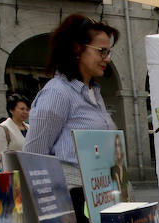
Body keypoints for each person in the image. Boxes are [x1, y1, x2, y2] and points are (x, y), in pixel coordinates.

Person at [24, 15, 118, 165]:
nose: (107, 58)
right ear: (77, 48)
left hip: (102, 186)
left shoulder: (93, 92)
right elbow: (33, 157)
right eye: (101, 51)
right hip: (71, 187)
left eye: (108, 52)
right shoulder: (57, 93)